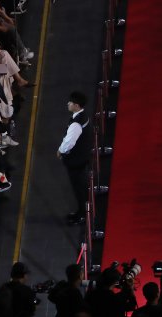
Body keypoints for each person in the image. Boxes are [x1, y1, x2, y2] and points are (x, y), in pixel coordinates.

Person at [57, 91, 92, 226]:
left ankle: (82, 214)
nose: (68, 104)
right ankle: (83, 211)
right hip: (83, 156)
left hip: (76, 160)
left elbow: (69, 142)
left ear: (76, 105)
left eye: (70, 102)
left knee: (78, 188)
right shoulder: (83, 116)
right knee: (81, 185)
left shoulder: (76, 124)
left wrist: (60, 150)